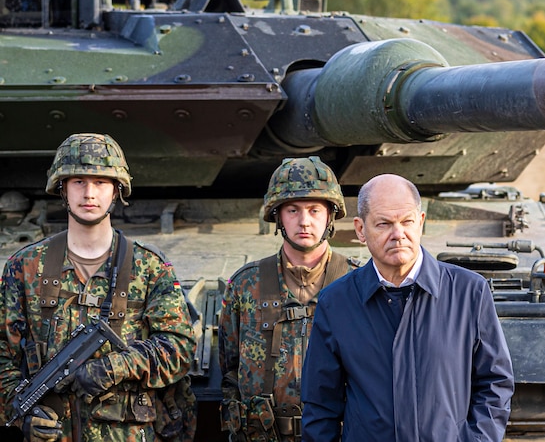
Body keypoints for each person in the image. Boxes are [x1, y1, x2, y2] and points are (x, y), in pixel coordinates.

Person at [0, 133, 196, 442]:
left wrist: (115, 366)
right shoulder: (24, 267)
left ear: (117, 190)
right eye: (78, 181)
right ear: (62, 188)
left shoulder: (148, 267)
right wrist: (22, 414)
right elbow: (3, 355)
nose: (89, 193)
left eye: (101, 182)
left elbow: (180, 350)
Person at [300, 173, 515, 442]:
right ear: (360, 230)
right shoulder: (337, 303)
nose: (398, 234)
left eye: (407, 222)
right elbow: (320, 404)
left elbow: (495, 384)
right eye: (384, 224)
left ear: (421, 223)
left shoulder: (468, 292)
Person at [219, 157, 358, 442]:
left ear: (330, 215)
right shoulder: (246, 284)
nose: (304, 221)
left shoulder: (357, 282)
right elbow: (230, 365)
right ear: (278, 216)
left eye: (315, 210)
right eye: (293, 210)